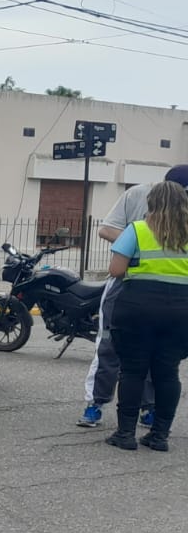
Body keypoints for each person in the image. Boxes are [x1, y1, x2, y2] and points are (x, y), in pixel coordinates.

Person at [77, 164, 188, 426]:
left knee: (145, 361)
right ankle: (97, 402)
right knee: (115, 349)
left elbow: (116, 267)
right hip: (139, 292)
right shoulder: (136, 204)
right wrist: (141, 242)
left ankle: (142, 414)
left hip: (142, 296)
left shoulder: (141, 230)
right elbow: (107, 229)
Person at [105, 179, 188, 451]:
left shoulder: (137, 230)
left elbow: (116, 270)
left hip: (137, 307)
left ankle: (125, 434)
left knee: (132, 370)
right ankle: (160, 435)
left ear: (151, 203)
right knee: (168, 372)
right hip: (181, 311)